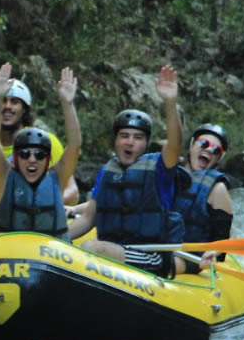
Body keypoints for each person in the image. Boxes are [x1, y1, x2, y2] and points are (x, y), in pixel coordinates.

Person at [69, 64, 190, 277]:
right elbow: (88, 219)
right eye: (124, 136)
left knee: (91, 248)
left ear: (146, 143)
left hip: (150, 255)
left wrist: (170, 102)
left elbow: (175, 144)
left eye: (138, 137)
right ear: (115, 141)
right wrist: (52, 238)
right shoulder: (108, 171)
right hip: (116, 252)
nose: (130, 142)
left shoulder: (159, 168)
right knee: (87, 246)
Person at [0, 63, 81, 240]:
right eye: (24, 154)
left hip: (50, 259)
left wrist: (67, 104)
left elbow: (74, 145)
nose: (31, 160)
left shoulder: (57, 178)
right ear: (15, 157)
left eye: (39, 155)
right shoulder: (4, 178)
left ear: (47, 160)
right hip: (12, 257)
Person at [0, 74, 80, 205]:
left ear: (24, 109)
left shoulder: (47, 141)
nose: (31, 160)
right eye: (3, 101)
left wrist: (38, 202)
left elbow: (74, 146)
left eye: (14, 102)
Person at [174, 123, 233, 273]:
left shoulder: (217, 189)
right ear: (192, 145)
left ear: (219, 158)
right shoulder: (169, 175)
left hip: (194, 259)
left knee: (168, 262)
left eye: (216, 150)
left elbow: (222, 240)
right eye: (204, 143)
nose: (208, 150)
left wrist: (215, 251)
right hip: (161, 248)